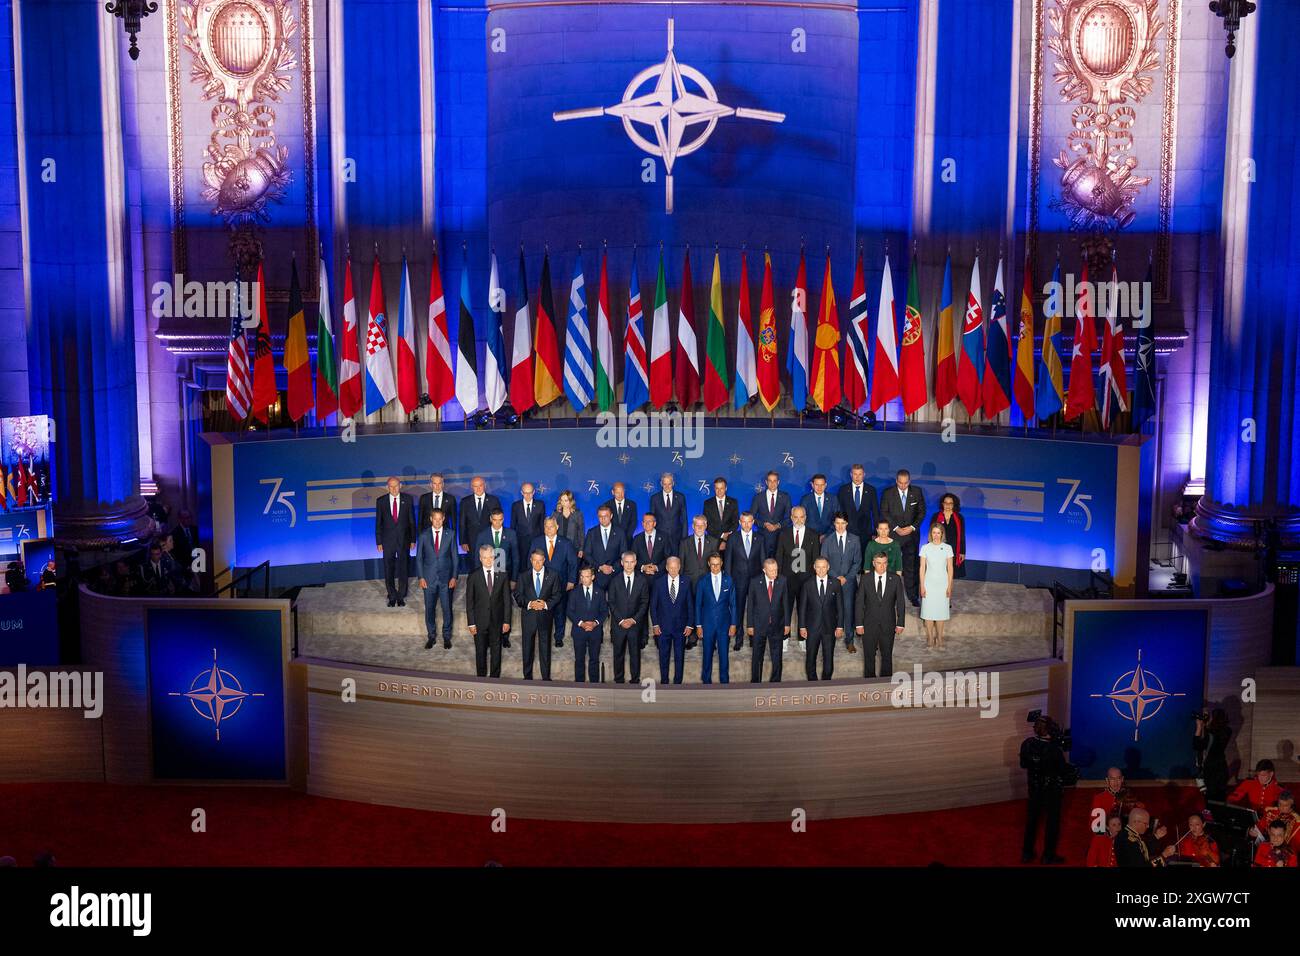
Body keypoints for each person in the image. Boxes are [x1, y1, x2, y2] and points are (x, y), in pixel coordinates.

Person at [1020, 715, 1069, 864]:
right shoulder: (1054, 750)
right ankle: (1048, 855)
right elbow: (1063, 771)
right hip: (1051, 792)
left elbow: (1023, 764)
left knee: (1032, 821)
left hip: (1034, 790)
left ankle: (1027, 853)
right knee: (1052, 823)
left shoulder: (1027, 744)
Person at [854, 551, 906, 678]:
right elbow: (859, 603)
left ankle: (886, 685)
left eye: (884, 563)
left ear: (887, 564)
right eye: (878, 563)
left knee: (887, 656)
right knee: (869, 656)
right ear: (873, 564)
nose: (881, 566)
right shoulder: (865, 579)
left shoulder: (895, 579)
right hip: (869, 624)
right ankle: (869, 683)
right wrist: (859, 624)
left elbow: (900, 602)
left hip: (888, 624)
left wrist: (901, 623)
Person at [879, 469, 925, 607]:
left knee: (911, 566)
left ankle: (912, 595)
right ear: (896, 481)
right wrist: (896, 528)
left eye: (905, 483)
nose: (903, 486)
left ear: (909, 481)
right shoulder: (888, 493)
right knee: (891, 565)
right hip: (894, 535)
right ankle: (889, 595)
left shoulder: (916, 492)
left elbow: (922, 512)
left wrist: (911, 527)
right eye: (900, 483)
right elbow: (884, 511)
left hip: (911, 536)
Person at [464, 544, 511, 678]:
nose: (488, 560)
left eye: (490, 557)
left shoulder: (502, 575)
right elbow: (469, 602)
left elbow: (507, 600)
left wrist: (507, 621)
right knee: (480, 651)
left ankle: (495, 679)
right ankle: (481, 679)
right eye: (485, 558)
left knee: (496, 651)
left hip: (497, 621)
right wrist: (471, 623)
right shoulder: (473, 576)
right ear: (480, 558)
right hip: (479, 622)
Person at [776, 506, 819, 648]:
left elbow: (815, 559)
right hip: (787, 579)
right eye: (796, 517)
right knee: (785, 608)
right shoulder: (783, 534)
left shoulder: (813, 535)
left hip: (806, 580)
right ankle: (784, 638)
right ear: (791, 517)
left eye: (801, 517)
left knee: (804, 609)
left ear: (805, 517)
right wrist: (779, 579)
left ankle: (802, 639)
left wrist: (813, 579)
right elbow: (779, 557)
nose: (798, 520)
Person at [531, 517, 577, 647]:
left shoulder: (566, 543)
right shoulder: (536, 542)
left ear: (557, 527)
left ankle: (558, 637)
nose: (548, 529)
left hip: (561, 584)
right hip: (541, 584)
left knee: (560, 611)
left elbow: (573, 563)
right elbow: (531, 563)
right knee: (543, 611)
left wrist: (571, 580)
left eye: (551, 526)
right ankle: (543, 637)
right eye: (546, 526)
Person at [516, 550, 562, 680]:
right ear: (531, 560)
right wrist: (530, 603)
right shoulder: (523, 576)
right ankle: (527, 676)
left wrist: (545, 604)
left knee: (545, 648)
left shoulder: (553, 575)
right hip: (528, 617)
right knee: (527, 648)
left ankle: (546, 678)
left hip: (545, 617)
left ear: (544, 560)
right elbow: (518, 595)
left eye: (540, 560)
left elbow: (557, 594)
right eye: (534, 560)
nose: (537, 563)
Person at [415, 508, 457, 649]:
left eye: (440, 518)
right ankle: (431, 637)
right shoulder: (423, 535)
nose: (438, 521)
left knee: (447, 609)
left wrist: (454, 576)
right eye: (435, 519)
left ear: (443, 518)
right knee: (430, 609)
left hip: (446, 579)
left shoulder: (450, 534)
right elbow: (419, 558)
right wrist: (421, 577)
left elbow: (455, 558)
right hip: (429, 578)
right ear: (431, 519)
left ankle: (446, 636)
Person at [649, 555, 693, 684]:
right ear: (667, 567)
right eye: (671, 567)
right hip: (663, 627)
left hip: (681, 627)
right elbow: (653, 605)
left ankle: (678, 682)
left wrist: (690, 625)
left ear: (679, 567)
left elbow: (690, 604)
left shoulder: (686, 581)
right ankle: (664, 682)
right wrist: (655, 625)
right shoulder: (658, 582)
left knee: (680, 656)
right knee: (664, 656)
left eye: (676, 567)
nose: (673, 570)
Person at [607, 552, 650, 684]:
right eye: (626, 562)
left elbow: (644, 602)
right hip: (618, 625)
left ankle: (635, 680)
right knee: (618, 654)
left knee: (635, 654)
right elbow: (611, 602)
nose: (629, 565)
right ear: (622, 563)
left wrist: (633, 619)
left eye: (632, 562)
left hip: (635, 625)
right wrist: (621, 620)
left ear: (636, 563)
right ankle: (618, 680)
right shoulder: (614, 580)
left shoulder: (642, 580)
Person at [821, 513, 861, 653]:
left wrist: (847, 577)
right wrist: (836, 577)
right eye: (837, 523)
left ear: (847, 524)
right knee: (830, 611)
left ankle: (849, 640)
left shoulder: (855, 540)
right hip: (832, 581)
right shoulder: (827, 540)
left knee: (849, 611)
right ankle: (829, 638)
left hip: (849, 583)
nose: (840, 526)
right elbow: (823, 562)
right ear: (834, 524)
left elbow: (857, 562)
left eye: (843, 523)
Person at [695, 552, 736, 684]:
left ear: (722, 564)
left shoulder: (728, 580)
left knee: (724, 655)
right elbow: (697, 605)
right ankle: (706, 681)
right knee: (707, 655)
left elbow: (733, 604)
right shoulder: (702, 581)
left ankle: (724, 682)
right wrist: (698, 625)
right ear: (708, 564)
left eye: (717, 565)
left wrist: (733, 624)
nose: (715, 568)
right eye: (712, 565)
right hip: (707, 625)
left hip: (724, 625)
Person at [725, 512, 765, 648]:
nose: (746, 524)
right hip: (738, 580)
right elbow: (728, 561)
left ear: (753, 522)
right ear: (740, 522)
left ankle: (754, 637)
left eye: (749, 522)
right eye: (744, 521)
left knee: (755, 610)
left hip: (755, 580)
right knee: (739, 610)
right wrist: (729, 580)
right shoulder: (732, 538)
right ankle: (739, 638)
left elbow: (763, 560)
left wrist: (763, 580)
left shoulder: (760, 538)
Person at [799, 556, 842, 681]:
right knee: (811, 657)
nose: (821, 570)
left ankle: (826, 682)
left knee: (828, 657)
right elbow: (802, 608)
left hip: (830, 627)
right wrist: (802, 626)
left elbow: (840, 607)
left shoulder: (835, 583)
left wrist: (840, 626)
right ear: (814, 568)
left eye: (824, 567)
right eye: (818, 567)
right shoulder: (807, 584)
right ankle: (813, 683)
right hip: (812, 628)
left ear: (828, 567)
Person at [747, 558, 789, 682]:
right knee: (757, 657)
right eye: (771, 571)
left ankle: (775, 682)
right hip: (759, 625)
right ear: (764, 570)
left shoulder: (782, 580)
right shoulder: (755, 582)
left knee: (777, 657)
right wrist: (750, 625)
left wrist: (787, 623)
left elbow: (786, 603)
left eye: (776, 570)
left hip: (777, 625)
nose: (775, 573)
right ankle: (756, 682)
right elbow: (750, 605)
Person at [565, 566, 607, 683]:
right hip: (579, 631)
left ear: (593, 577)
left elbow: (604, 611)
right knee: (579, 659)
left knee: (594, 659)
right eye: (582, 576)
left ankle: (594, 685)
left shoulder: (600, 592)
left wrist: (595, 623)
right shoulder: (574, 592)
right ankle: (580, 684)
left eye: (587, 576)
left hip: (595, 631)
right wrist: (581, 624)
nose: (584, 579)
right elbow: (569, 611)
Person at [918, 523, 954, 648]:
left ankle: (939, 637)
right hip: (929, 584)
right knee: (928, 612)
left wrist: (949, 586)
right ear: (930, 534)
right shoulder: (925, 548)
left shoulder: (948, 548)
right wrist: (922, 586)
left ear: (942, 534)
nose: (936, 535)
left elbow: (950, 568)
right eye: (934, 532)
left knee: (940, 612)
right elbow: (922, 568)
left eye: (938, 533)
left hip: (942, 584)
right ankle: (930, 638)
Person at [459, 477, 502, 571]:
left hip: (490, 538)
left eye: (480, 485)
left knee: (492, 564)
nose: (478, 488)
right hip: (471, 540)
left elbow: (498, 521)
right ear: (471, 487)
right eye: (475, 486)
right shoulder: (465, 502)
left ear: (485, 486)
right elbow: (462, 522)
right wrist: (463, 541)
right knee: (473, 565)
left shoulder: (494, 500)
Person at [582, 505, 626, 590]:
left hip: (615, 575)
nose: (603, 519)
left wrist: (613, 568)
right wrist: (599, 567)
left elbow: (623, 554)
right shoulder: (591, 533)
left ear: (611, 516)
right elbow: (586, 554)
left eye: (606, 516)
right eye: (600, 516)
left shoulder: (620, 532)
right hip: (597, 576)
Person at [1194, 709, 1232, 802]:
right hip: (1222, 769)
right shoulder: (1227, 731)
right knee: (1221, 801)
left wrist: (1199, 726)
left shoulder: (1210, 734)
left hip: (1211, 772)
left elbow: (1196, 745)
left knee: (1211, 802)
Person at [473, 509, 518, 586]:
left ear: (503, 519)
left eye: (500, 520)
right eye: (495, 520)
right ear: (490, 519)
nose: (497, 523)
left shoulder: (511, 534)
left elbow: (515, 558)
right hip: (488, 576)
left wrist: (514, 579)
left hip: (506, 575)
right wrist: (479, 578)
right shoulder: (482, 535)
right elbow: (477, 558)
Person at [751, 470, 791, 554]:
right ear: (766, 482)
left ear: (778, 482)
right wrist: (764, 524)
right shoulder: (758, 497)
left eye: (775, 481)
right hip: (763, 537)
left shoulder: (785, 497)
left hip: (780, 537)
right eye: (770, 481)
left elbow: (789, 518)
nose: (772, 483)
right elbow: (752, 517)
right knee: (763, 563)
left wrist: (778, 525)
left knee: (779, 563)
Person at [509, 482, 546, 571]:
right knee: (522, 564)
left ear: (533, 492)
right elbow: (513, 525)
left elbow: (542, 524)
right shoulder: (516, 505)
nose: (528, 495)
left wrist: (543, 540)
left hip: (536, 540)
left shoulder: (540, 505)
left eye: (530, 492)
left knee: (537, 564)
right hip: (521, 540)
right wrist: (512, 541)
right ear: (522, 493)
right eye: (525, 493)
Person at [837, 464, 878, 543]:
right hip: (848, 531)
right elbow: (839, 511)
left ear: (864, 475)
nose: (857, 477)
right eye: (855, 474)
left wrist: (876, 532)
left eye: (860, 474)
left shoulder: (871, 490)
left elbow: (875, 512)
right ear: (851, 475)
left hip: (866, 532)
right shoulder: (843, 490)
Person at [930, 493, 966, 580]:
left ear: (954, 505)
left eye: (950, 503)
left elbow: (962, 535)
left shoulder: (959, 517)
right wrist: (930, 548)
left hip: (953, 549)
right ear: (942, 504)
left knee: (950, 574)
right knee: (938, 573)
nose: (948, 505)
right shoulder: (936, 516)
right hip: (938, 548)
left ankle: (947, 591)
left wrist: (962, 551)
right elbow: (931, 533)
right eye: (945, 503)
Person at [650, 472, 687, 554]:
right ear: (661, 483)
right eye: (665, 484)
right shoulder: (654, 498)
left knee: (676, 562)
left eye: (669, 484)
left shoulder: (681, 497)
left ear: (673, 483)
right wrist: (652, 537)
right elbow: (652, 519)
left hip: (677, 537)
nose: (667, 486)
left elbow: (684, 519)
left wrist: (685, 539)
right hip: (660, 537)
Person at [703, 476, 738, 549]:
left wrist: (726, 538)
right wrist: (721, 535)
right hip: (713, 541)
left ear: (726, 488)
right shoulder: (707, 503)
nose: (719, 491)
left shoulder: (733, 502)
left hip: (729, 541)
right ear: (714, 489)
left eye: (721, 488)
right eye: (717, 488)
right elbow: (706, 524)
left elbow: (735, 522)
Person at [418, 472, 457, 538]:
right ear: (431, 484)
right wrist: (420, 536)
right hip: (428, 535)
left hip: (445, 535)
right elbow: (420, 519)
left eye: (439, 483)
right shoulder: (424, 498)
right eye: (435, 484)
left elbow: (454, 521)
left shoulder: (450, 499)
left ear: (443, 484)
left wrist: (453, 538)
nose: (437, 486)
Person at [681, 514, 718, 582]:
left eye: (702, 525)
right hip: (689, 581)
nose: (700, 528)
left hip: (707, 581)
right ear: (693, 526)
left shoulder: (713, 542)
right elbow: (681, 564)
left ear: (706, 526)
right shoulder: (684, 543)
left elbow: (715, 564)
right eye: (697, 525)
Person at [632, 513, 669, 580]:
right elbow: (633, 558)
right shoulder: (637, 538)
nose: (647, 523)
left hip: (660, 576)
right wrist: (643, 567)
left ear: (654, 524)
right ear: (642, 524)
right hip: (641, 578)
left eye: (649, 521)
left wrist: (657, 567)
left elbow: (668, 557)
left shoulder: (664, 537)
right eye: (645, 521)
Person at [552, 490, 585, 558]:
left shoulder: (577, 514)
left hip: (574, 547)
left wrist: (581, 549)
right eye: (561, 500)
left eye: (566, 500)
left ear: (571, 501)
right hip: (559, 547)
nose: (563, 503)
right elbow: (551, 531)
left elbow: (581, 533)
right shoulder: (556, 514)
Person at [799, 474, 833, 539]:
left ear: (825, 485)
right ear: (812, 485)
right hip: (809, 537)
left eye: (822, 485)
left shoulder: (833, 499)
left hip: (829, 537)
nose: (819, 488)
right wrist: (813, 536)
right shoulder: (805, 499)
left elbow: (837, 519)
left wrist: (827, 535)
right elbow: (802, 520)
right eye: (817, 485)